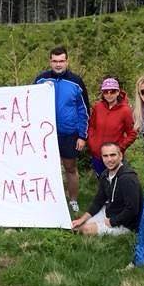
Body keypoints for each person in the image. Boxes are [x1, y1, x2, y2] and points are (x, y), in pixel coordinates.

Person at [34, 46, 90, 213]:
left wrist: (82, 135)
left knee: (70, 168)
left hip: (69, 133)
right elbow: (30, 103)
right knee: (45, 169)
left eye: (61, 61)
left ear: (67, 61)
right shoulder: (40, 80)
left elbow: (84, 110)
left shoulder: (76, 82)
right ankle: (48, 200)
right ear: (50, 61)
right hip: (45, 134)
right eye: (55, 61)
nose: (58, 64)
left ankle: (73, 200)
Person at [71, 143, 142, 236]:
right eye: (105, 156)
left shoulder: (128, 178)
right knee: (77, 225)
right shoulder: (105, 174)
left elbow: (132, 210)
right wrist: (82, 219)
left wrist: (112, 222)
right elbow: (98, 201)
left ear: (120, 156)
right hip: (109, 212)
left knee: (85, 230)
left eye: (113, 155)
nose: (109, 159)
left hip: (125, 223)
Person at [87, 77, 136, 176]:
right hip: (98, 154)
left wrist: (119, 147)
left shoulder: (125, 110)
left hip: (113, 156)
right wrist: (92, 143)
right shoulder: (98, 107)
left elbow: (132, 133)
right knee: (101, 180)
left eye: (112, 91)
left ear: (118, 92)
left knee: (115, 182)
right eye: (106, 92)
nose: (109, 95)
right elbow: (91, 126)